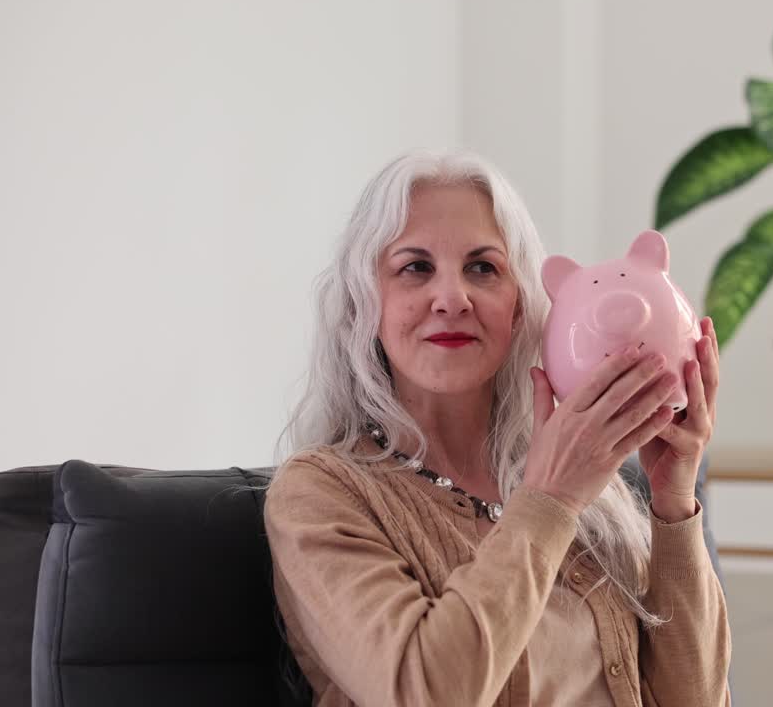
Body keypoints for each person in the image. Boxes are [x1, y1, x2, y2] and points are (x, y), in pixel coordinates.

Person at [263, 148, 731, 706]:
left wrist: (674, 500)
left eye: (483, 268)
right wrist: (549, 500)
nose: (452, 298)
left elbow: (697, 700)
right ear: (367, 304)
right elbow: (425, 693)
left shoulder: (589, 488)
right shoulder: (319, 494)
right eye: (416, 267)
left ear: (518, 305)